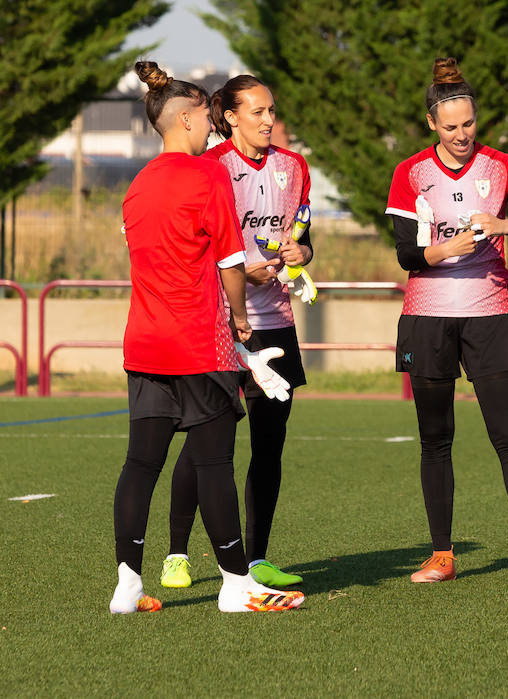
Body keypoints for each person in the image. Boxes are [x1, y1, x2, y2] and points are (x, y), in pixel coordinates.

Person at [111, 61, 303, 613]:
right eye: (206, 118)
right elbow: (230, 259)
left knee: (139, 464)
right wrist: (241, 320)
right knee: (215, 463)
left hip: (144, 344)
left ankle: (128, 585)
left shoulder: (138, 183)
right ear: (190, 118)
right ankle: (236, 585)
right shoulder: (207, 175)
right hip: (200, 343)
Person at [384, 58, 508, 585]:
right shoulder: (410, 172)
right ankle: (442, 555)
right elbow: (406, 255)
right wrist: (447, 248)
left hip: (488, 315)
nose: (462, 135)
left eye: (469, 124)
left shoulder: (503, 166)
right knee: (435, 440)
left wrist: (502, 222)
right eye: (451, 127)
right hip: (428, 318)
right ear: (432, 125)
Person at [159, 74, 315, 590]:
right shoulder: (209, 166)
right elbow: (192, 246)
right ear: (229, 116)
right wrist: (237, 270)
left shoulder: (294, 167)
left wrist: (300, 255)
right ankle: (177, 552)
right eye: (258, 111)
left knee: (270, 444)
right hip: (221, 327)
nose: (269, 120)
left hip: (278, 324)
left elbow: (303, 235)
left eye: (272, 111)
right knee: (204, 443)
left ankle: (257, 558)